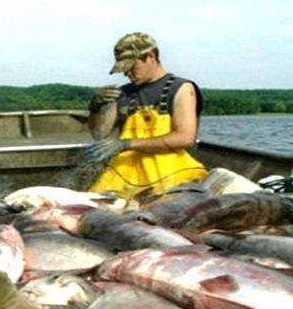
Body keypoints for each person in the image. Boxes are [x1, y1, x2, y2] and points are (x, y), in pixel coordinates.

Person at [83, 32, 208, 198]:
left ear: (150, 56)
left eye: (131, 67)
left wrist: (126, 144)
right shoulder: (122, 93)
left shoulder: (181, 88)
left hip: (170, 173)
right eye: (124, 70)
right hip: (123, 175)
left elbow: (185, 138)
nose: (127, 73)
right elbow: (100, 133)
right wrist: (95, 109)